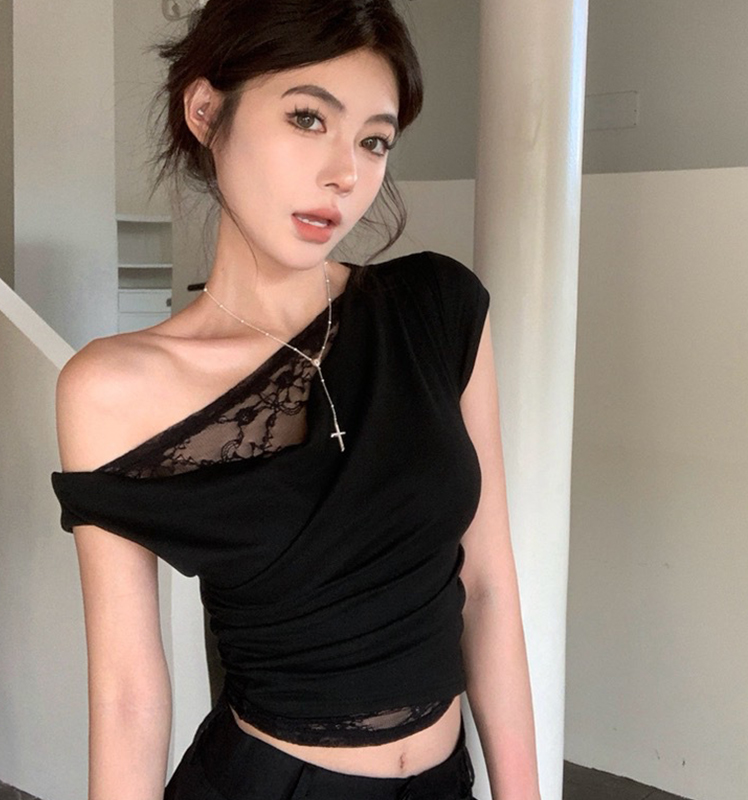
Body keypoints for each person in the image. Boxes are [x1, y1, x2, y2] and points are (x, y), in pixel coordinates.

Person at [50, 1, 541, 798]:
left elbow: (487, 591)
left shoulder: (438, 308)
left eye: (374, 140)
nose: (346, 173)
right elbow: (129, 694)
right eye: (309, 118)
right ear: (206, 112)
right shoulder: (115, 388)